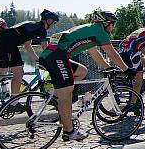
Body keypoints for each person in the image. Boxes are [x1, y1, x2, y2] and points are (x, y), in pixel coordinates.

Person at [38, 11, 130, 141]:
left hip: (52, 54)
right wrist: (127, 69)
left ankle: (59, 96)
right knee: (66, 94)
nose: (113, 27)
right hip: (56, 56)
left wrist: (108, 68)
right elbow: (111, 53)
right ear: (105, 23)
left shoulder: (90, 29)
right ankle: (69, 131)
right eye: (112, 24)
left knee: (82, 71)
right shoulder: (99, 31)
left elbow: (95, 54)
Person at [0, 10, 59, 96]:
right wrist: (52, 61)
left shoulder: (33, 27)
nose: (54, 25)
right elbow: (45, 48)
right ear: (49, 21)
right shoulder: (41, 29)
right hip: (8, 44)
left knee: (0, 75)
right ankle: (13, 103)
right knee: (19, 73)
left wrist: (37, 61)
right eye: (54, 23)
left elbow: (27, 46)